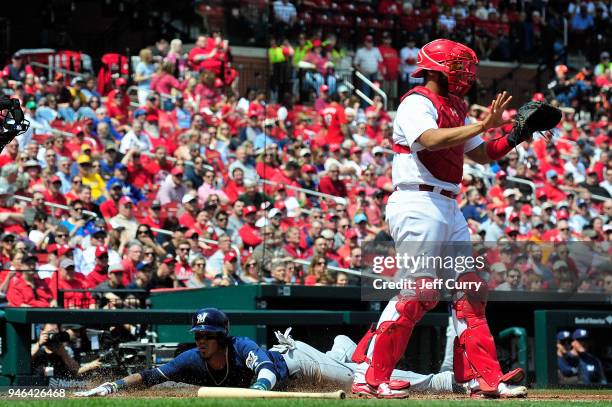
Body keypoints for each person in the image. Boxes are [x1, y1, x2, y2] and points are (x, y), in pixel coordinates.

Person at [351, 39, 530, 399]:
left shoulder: (455, 106)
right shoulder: (416, 101)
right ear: (434, 69)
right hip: (417, 198)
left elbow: (481, 155)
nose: (466, 74)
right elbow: (430, 140)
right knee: (419, 290)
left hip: (447, 203)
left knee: (470, 290)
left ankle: (483, 378)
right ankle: (369, 376)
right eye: (459, 66)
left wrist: (515, 134)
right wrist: (482, 124)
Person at [75, 308, 457, 397]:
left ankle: (441, 381)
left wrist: (259, 391)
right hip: (300, 363)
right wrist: (111, 387)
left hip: (299, 363)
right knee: (351, 362)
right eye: (199, 335)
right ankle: (346, 348)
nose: (202, 341)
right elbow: (153, 375)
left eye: (208, 335)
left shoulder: (242, 347)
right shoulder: (194, 358)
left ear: (222, 337)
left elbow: (267, 373)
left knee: (365, 384)